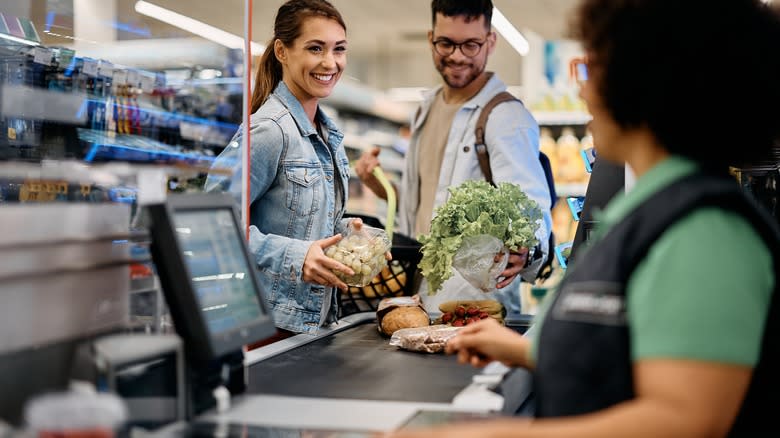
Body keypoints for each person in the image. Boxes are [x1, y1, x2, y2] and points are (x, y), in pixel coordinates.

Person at [386, 0, 780, 437]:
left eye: (595, 69)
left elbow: (687, 419)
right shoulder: (649, 212)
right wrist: (526, 349)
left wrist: (490, 434)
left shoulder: (706, 232)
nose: (584, 90)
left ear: (650, 84)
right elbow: (629, 351)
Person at [355, 0, 552, 314]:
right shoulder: (426, 108)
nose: (457, 56)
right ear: (431, 37)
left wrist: (527, 246)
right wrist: (380, 186)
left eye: (471, 45)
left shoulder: (505, 117)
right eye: (446, 43)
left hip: (473, 306)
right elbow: (427, 208)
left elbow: (530, 203)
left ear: (491, 42)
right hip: (417, 295)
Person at [205, 0, 361, 337]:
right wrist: (297, 256)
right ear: (282, 51)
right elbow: (212, 226)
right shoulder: (269, 131)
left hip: (310, 327)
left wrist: (347, 233)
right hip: (268, 328)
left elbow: (297, 221)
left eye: (339, 49)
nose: (329, 62)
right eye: (315, 48)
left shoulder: (326, 133)